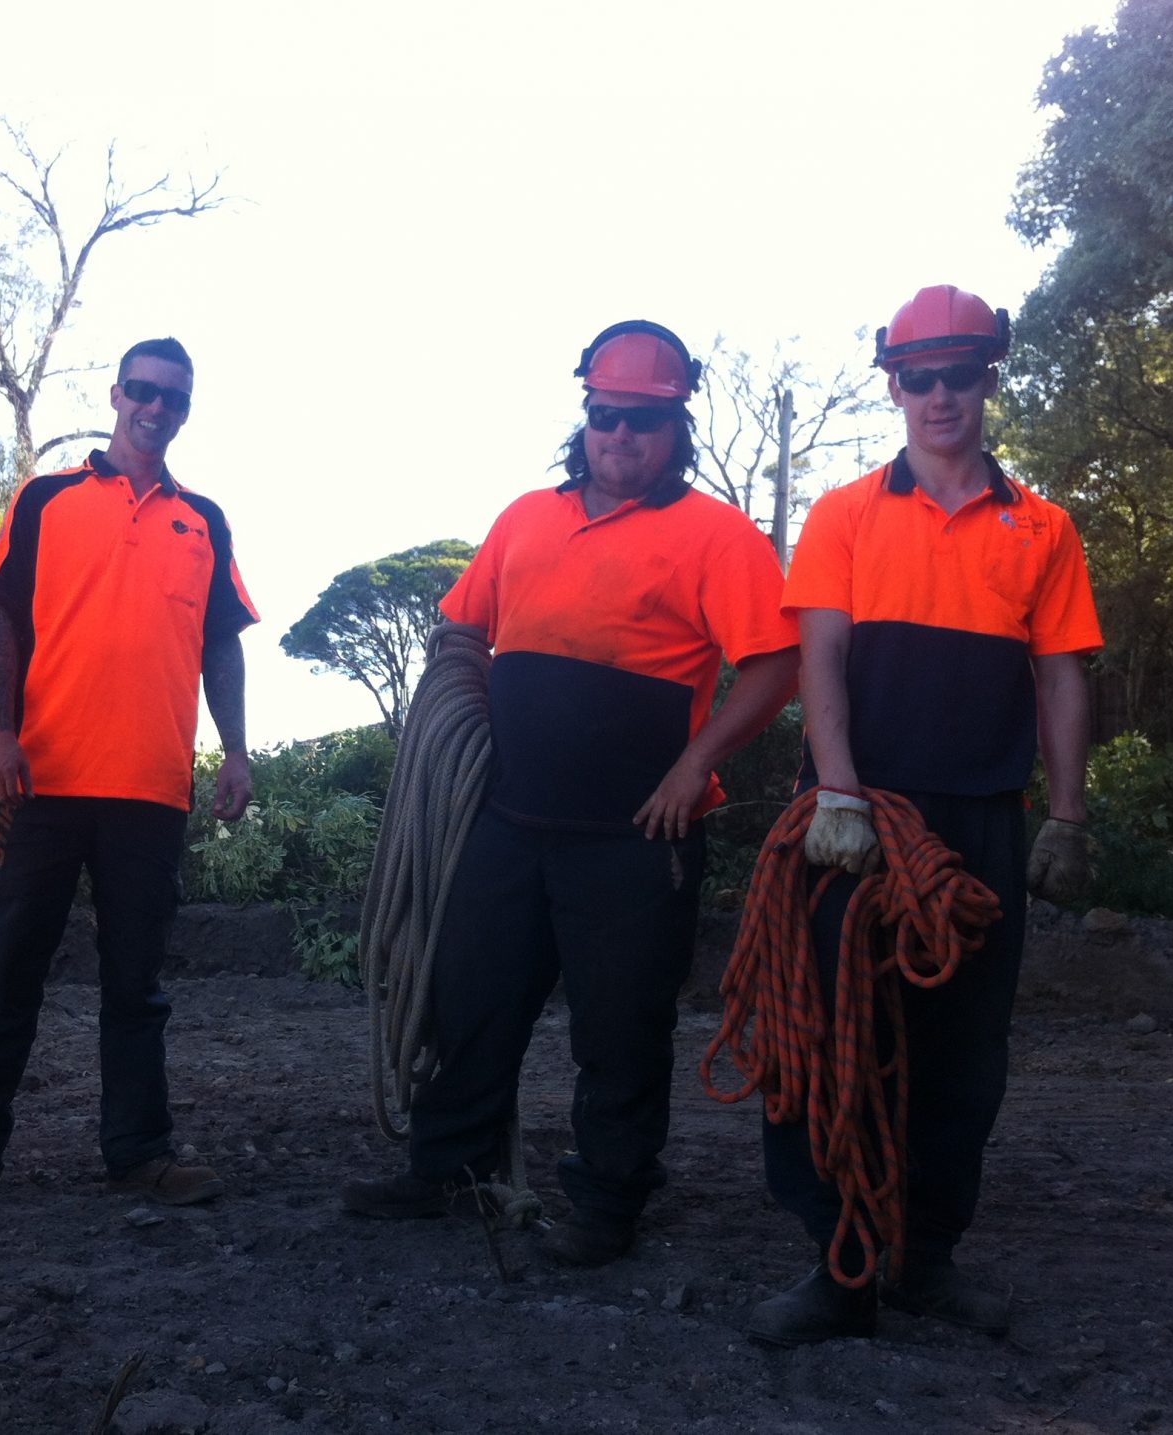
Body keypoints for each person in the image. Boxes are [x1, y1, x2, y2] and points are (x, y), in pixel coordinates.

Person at [342, 321, 800, 1265]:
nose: (621, 437)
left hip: (636, 832)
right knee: (469, 998)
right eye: (605, 417)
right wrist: (462, 699)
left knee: (621, 1025)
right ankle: (448, 1169)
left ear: (677, 428)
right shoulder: (524, 519)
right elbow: (463, 629)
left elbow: (774, 664)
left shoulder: (718, 537)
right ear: (583, 419)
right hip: (506, 817)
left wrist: (692, 766)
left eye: (643, 421)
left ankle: (608, 1204)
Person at [746, 284, 1101, 1345]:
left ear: (991, 377)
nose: (939, 395)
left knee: (962, 1050)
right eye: (918, 375)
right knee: (830, 1036)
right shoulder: (846, 513)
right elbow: (823, 658)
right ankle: (837, 1266)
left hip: (982, 823)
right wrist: (840, 792)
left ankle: (927, 1258)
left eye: (961, 373)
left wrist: (1069, 815)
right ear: (894, 384)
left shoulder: (1043, 526)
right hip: (859, 817)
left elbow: (1063, 673)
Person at [0, 336, 257, 1220]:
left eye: (173, 396)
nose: (155, 407)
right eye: (142, 390)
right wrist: (2, 736)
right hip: (41, 785)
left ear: (185, 407)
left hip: (151, 790)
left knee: (137, 985)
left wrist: (238, 750)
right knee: (9, 970)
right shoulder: (48, 499)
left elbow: (220, 644)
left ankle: (139, 1152)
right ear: (116, 394)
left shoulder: (202, 520)